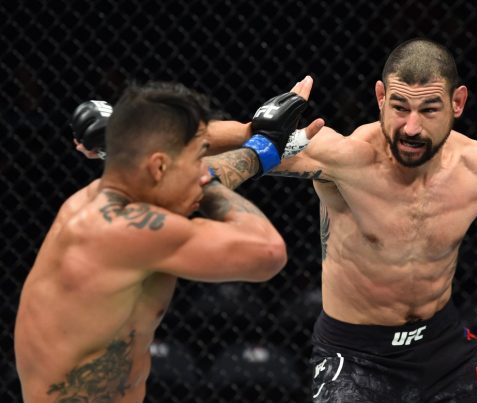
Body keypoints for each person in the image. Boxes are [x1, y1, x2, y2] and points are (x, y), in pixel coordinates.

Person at [202, 39, 477, 402]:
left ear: (457, 103)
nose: (411, 128)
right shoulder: (341, 156)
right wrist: (254, 133)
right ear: (380, 97)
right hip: (355, 357)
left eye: (429, 109)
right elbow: (196, 164)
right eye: (399, 107)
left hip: (444, 348)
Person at [14, 79, 323, 402]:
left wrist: (256, 138)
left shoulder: (111, 198)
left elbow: (181, 149)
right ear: (159, 166)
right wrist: (213, 178)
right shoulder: (124, 230)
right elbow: (267, 251)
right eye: (197, 162)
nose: (204, 170)